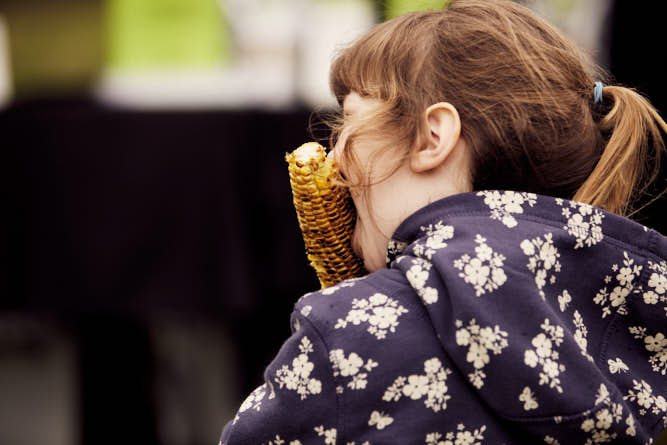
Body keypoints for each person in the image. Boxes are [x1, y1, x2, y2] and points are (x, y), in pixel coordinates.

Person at [219, 0, 667, 443]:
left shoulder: (349, 332)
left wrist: (362, 303)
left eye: (348, 124)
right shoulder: (631, 321)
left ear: (433, 137)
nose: (334, 160)